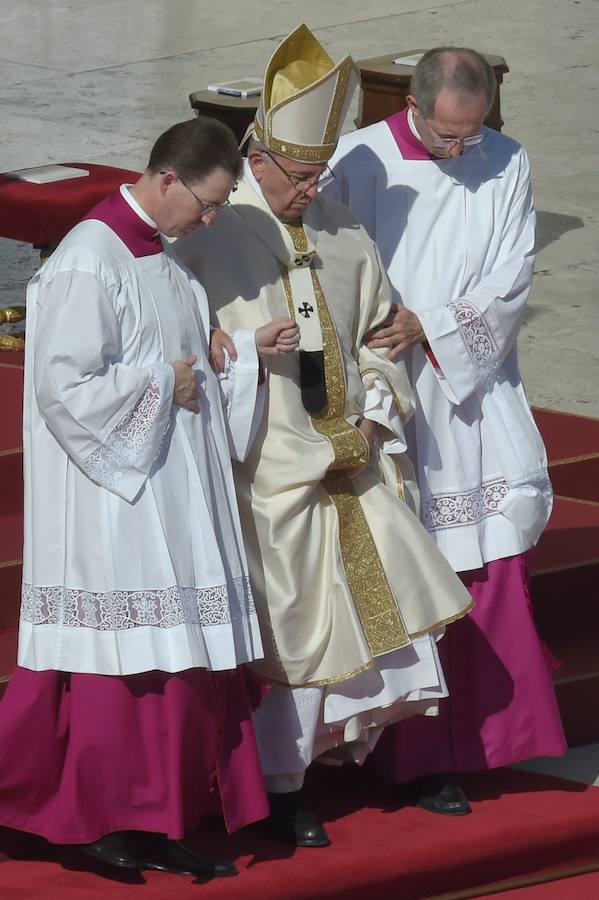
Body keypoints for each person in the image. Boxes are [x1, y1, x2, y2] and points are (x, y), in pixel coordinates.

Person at [177, 25, 473, 848]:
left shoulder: (345, 233)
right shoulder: (209, 235)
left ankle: (365, 760)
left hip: (352, 461)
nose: (312, 190)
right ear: (258, 159)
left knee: (393, 606)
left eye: (319, 175)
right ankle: (282, 789)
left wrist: (375, 411)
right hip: (263, 474)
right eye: (299, 176)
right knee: (296, 630)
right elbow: (187, 352)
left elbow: (382, 341)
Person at [0, 117, 301, 877]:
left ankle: (158, 813)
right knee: (124, 669)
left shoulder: (164, 261)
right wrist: (166, 381)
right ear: (165, 179)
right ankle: (98, 817)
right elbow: (64, 391)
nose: (207, 220)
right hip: (112, 502)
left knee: (176, 662)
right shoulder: (86, 261)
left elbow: (186, 364)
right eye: (204, 203)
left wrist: (236, 359)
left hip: (172, 492)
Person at [327, 47, 566, 815]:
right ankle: (404, 754)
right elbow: (330, 269)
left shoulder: (506, 159)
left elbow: (510, 277)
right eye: (447, 137)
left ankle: (483, 744)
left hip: (469, 384)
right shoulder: (357, 162)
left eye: (473, 134)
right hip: (390, 389)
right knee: (403, 561)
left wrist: (429, 322)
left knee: (488, 556)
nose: (463, 152)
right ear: (415, 108)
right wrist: (376, 332)